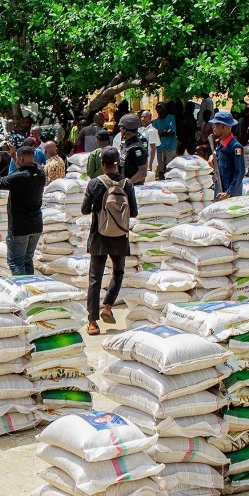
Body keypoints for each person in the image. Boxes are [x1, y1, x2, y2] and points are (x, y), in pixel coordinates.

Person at [79, 146, 137, 335]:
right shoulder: (127, 184)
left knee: (95, 278)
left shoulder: (95, 183)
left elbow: (84, 210)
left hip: (99, 236)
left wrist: (98, 207)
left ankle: (92, 323)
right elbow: (134, 212)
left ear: (102, 165)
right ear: (118, 164)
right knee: (118, 272)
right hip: (120, 236)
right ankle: (108, 307)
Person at [0, 141, 45, 276]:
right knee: (27, 260)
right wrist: (14, 155)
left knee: (16, 262)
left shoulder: (18, 177)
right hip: (35, 226)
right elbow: (23, 169)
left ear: (21, 159)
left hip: (20, 227)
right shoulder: (40, 174)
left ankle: (23, 291)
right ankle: (30, 288)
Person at [211, 110, 245, 199]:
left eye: (216, 125)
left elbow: (240, 172)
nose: (213, 127)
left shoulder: (235, 147)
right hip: (220, 189)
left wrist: (229, 193)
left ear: (224, 126)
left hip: (230, 194)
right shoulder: (219, 144)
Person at [116, 114, 148, 182]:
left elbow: (143, 172)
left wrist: (128, 183)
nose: (120, 129)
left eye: (121, 127)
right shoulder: (126, 143)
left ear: (126, 129)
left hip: (134, 187)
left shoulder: (137, 148)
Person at [151, 101, 177, 178]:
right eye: (157, 107)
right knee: (160, 168)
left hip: (170, 146)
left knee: (170, 167)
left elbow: (172, 132)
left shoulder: (171, 118)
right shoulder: (155, 122)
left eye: (160, 107)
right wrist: (163, 132)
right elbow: (155, 135)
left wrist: (160, 133)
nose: (158, 109)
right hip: (159, 147)